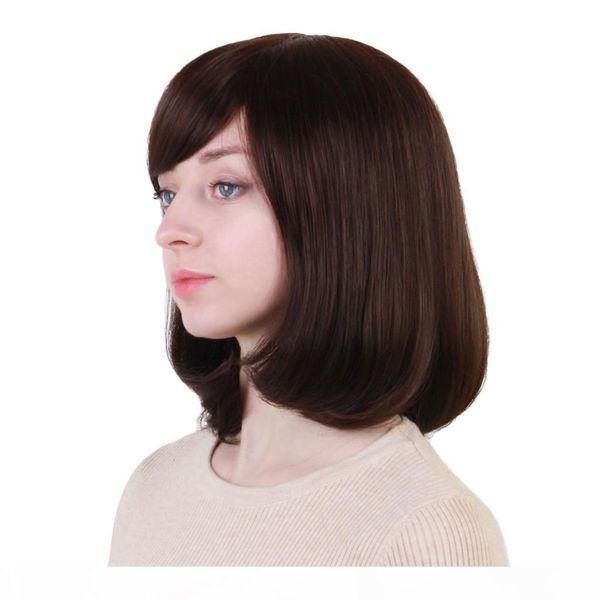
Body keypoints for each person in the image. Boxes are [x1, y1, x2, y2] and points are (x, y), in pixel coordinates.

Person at [108, 32, 509, 566]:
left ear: (351, 205)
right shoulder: (153, 489)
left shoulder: (428, 533)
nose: (170, 231)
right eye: (168, 193)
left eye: (226, 187)